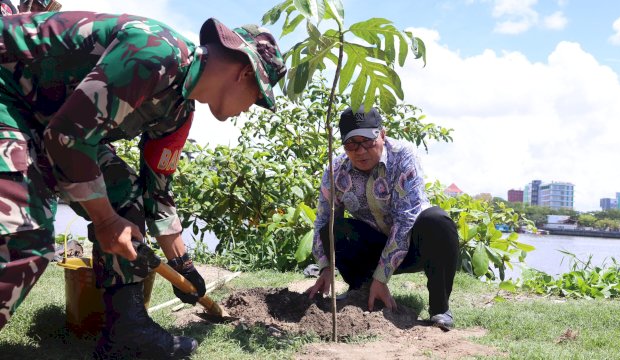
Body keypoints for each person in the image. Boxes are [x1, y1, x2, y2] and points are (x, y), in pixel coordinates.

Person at [0, 10, 286, 358]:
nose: (249, 109)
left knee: (126, 196)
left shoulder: (178, 112)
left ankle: (127, 331)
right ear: (245, 74)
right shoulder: (156, 52)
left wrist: (183, 266)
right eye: (257, 99)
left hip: (48, 120)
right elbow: (67, 138)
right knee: (24, 237)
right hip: (11, 93)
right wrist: (105, 221)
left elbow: (157, 193)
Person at [307, 106, 460, 329]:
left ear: (382, 134)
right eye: (352, 144)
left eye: (367, 141)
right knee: (332, 229)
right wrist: (325, 267)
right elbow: (323, 220)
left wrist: (382, 277)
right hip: (373, 245)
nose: (360, 151)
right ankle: (362, 290)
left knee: (437, 221)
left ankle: (440, 307)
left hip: (413, 245)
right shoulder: (336, 169)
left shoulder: (403, 156)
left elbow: (406, 220)